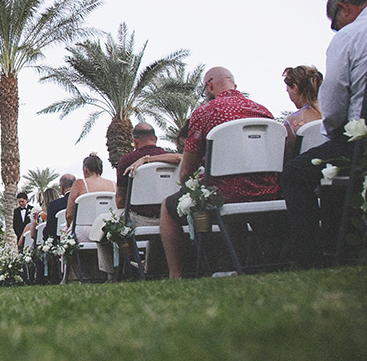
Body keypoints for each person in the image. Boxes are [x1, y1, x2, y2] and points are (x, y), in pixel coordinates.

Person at [160, 66, 280, 278]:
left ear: (210, 86)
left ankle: (175, 275)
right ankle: (239, 264)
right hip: (268, 191)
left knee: (168, 208)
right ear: (234, 85)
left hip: (225, 196)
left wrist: (193, 185)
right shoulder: (262, 111)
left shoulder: (205, 111)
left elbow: (186, 171)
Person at [281, 0, 367, 267]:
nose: (336, 29)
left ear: (343, 9)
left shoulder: (350, 35)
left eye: (335, 23)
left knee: (296, 173)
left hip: (361, 138)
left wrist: (334, 135)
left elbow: (336, 97)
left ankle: (310, 260)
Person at [89, 123, 177, 279]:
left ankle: (110, 274)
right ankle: (148, 266)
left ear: (134, 141)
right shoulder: (169, 159)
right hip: (170, 218)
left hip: (140, 220)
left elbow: (121, 201)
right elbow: (181, 158)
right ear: (155, 138)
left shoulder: (127, 160)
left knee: (101, 223)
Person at [65, 153, 116, 231]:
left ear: (86, 169)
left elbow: (69, 215)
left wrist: (70, 227)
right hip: (110, 230)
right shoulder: (113, 184)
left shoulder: (79, 183)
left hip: (86, 231)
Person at [282, 65, 323, 161]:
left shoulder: (292, 120)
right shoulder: (335, 113)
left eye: (288, 91)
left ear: (295, 87)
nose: (290, 98)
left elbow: (288, 157)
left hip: (306, 171)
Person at [41, 174, 75, 284]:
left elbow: (50, 229)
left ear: (61, 187)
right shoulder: (80, 201)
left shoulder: (55, 205)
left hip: (59, 241)